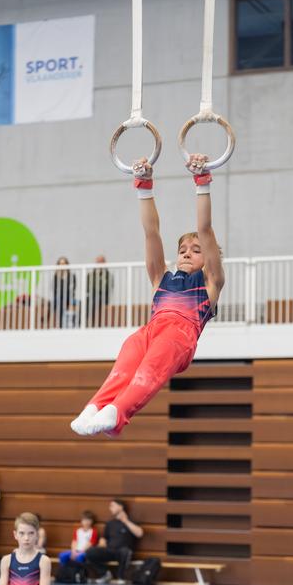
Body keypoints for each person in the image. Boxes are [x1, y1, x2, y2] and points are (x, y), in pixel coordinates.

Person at [71, 153, 225, 436]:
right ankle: (96, 406)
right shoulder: (160, 278)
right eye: (182, 250)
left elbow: (205, 229)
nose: (187, 253)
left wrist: (202, 181)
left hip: (180, 336)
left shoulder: (211, 282)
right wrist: (144, 184)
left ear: (210, 257)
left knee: (150, 368)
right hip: (152, 330)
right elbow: (151, 233)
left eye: (196, 249)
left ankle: (117, 415)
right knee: (129, 353)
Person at [0, 512, 51, 585]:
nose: (26, 538)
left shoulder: (44, 561)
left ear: (37, 534)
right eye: (22, 533)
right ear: (15, 535)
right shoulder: (6, 560)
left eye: (31, 533)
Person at [85, 500, 143, 584]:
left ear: (120, 507)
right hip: (110, 550)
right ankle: (105, 574)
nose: (110, 508)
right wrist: (101, 543)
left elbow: (140, 533)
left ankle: (121, 577)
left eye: (112, 506)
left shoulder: (131, 521)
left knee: (125, 551)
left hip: (123, 552)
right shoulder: (110, 523)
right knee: (90, 552)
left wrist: (125, 521)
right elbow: (104, 538)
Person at [86, 255, 112, 326]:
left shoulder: (108, 275)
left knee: (96, 299)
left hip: (103, 297)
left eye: (101, 262)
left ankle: (92, 323)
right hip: (92, 296)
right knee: (86, 301)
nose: (100, 264)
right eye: (98, 262)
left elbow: (107, 287)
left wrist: (97, 287)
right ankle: (85, 321)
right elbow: (88, 287)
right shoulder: (91, 275)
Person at [53, 257, 77, 328]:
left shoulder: (72, 276)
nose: (62, 266)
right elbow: (55, 289)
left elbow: (72, 289)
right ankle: (60, 326)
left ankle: (72, 324)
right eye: (60, 264)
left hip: (69, 297)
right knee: (58, 302)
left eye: (64, 264)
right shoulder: (56, 276)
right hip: (59, 297)